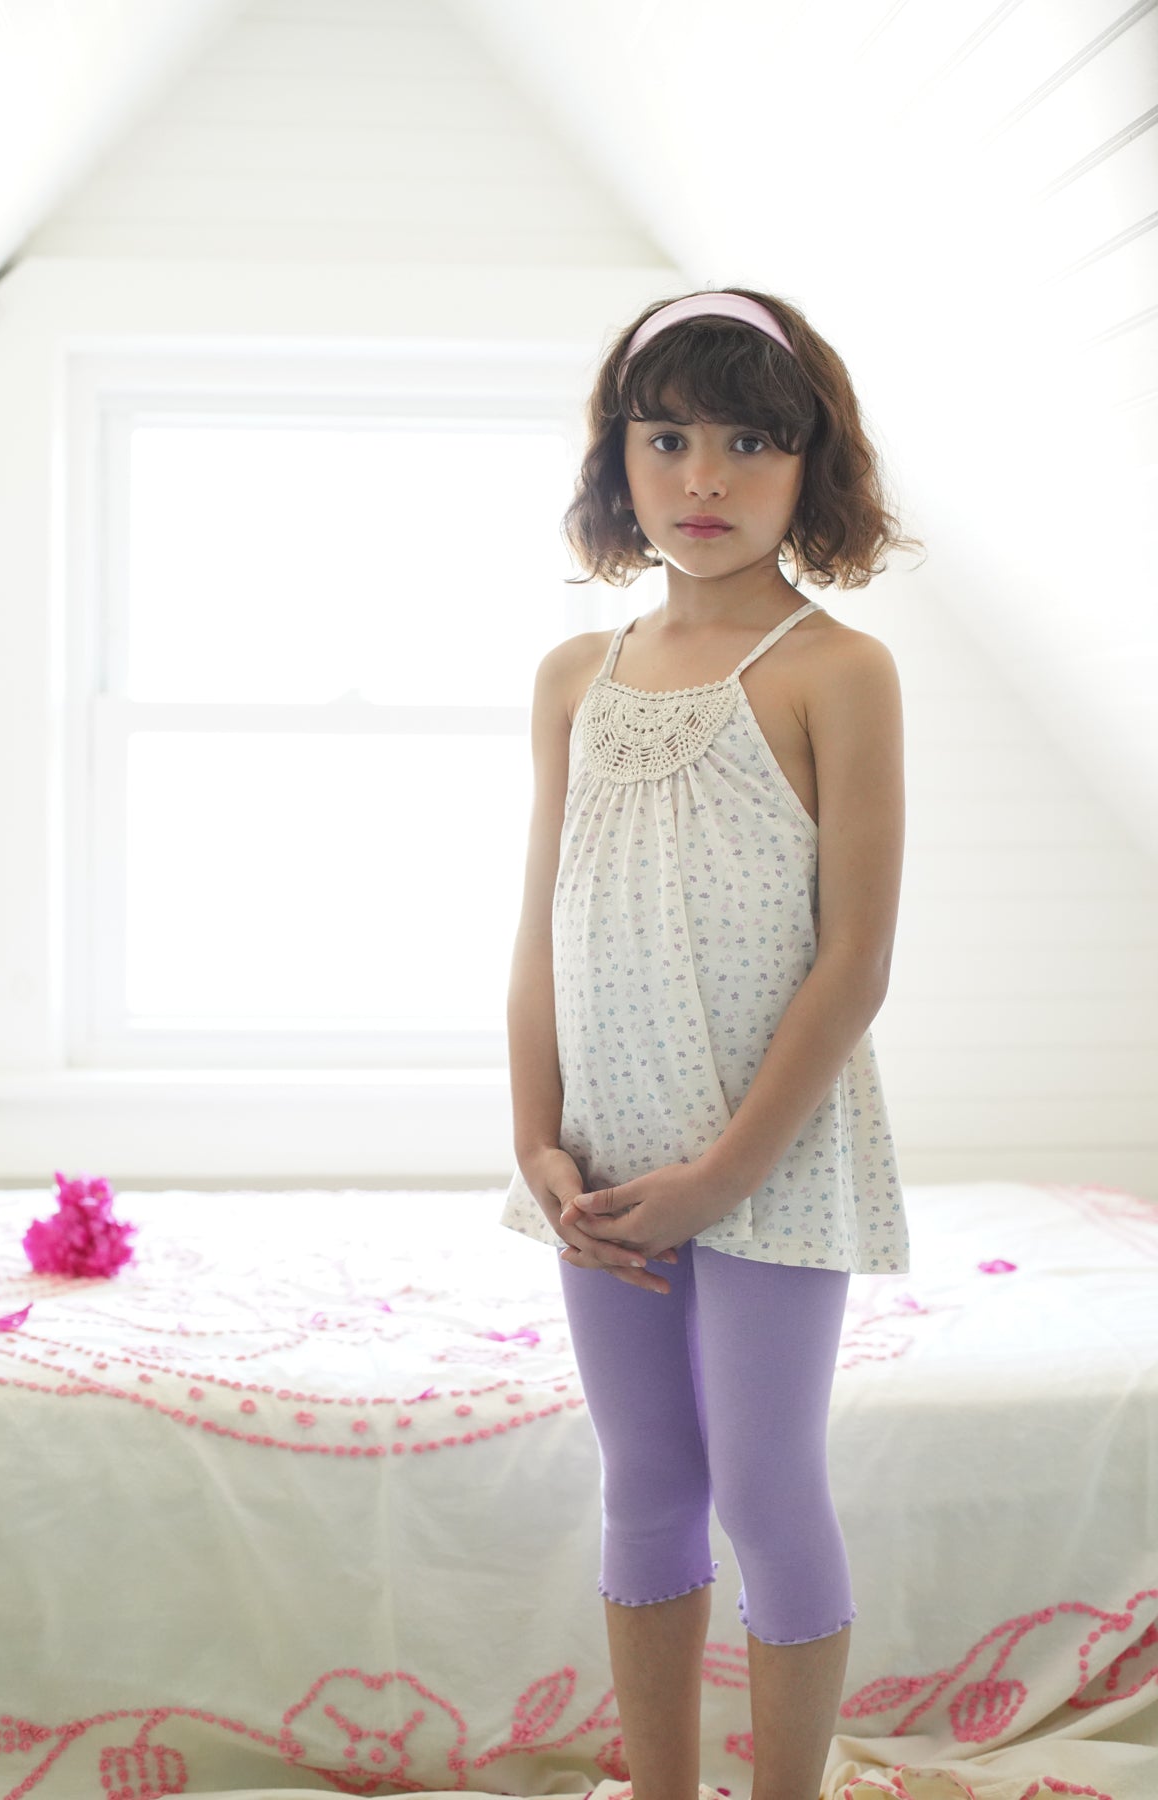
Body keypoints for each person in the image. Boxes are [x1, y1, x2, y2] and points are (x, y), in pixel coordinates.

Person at [501, 286, 923, 1800]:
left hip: (770, 1157)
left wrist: (724, 1174)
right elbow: (543, 927)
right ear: (618, 460)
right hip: (608, 1158)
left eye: (751, 443)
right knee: (647, 1486)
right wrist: (536, 1141)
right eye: (668, 439)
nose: (704, 478)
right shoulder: (576, 675)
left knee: (763, 1487)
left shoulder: (837, 670)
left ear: (814, 467)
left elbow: (855, 963)